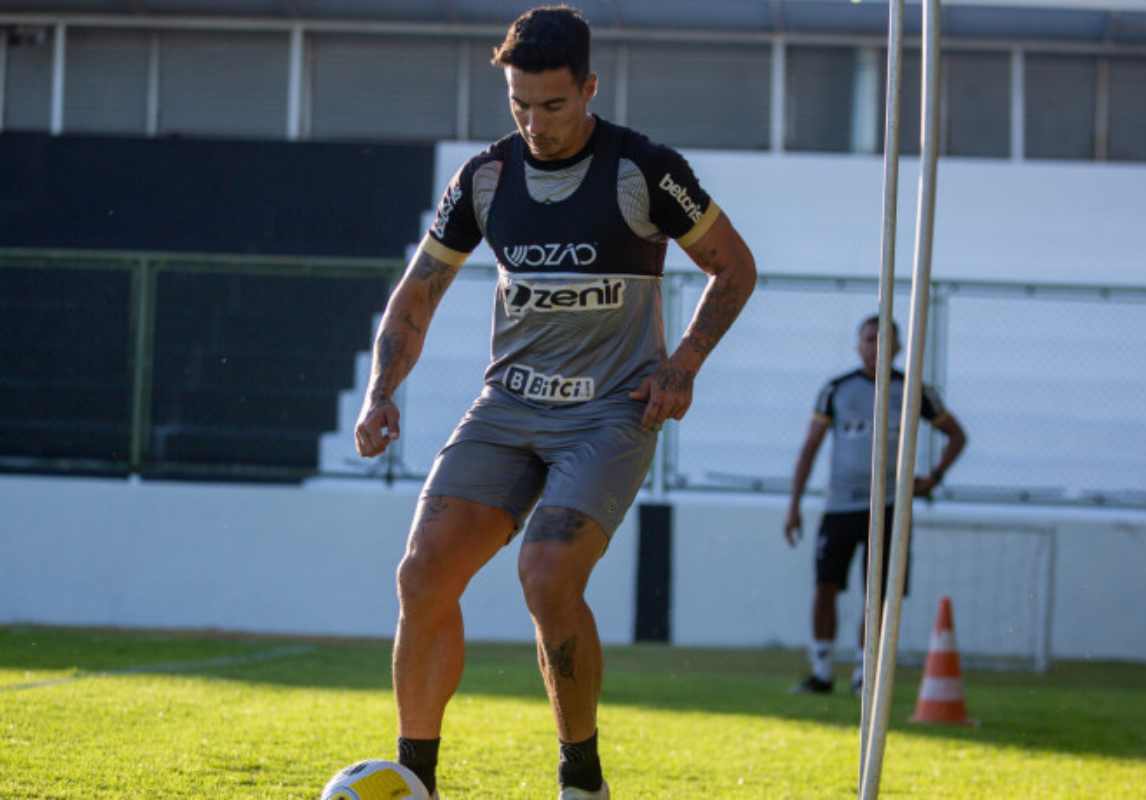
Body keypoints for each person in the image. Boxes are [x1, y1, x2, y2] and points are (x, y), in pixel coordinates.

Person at [354, 6, 757, 798]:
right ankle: (417, 779)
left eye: (553, 105)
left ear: (589, 88)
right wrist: (380, 391)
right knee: (422, 574)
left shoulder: (644, 170)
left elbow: (734, 267)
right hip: (507, 408)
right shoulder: (486, 177)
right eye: (519, 106)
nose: (535, 124)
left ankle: (581, 778)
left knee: (545, 576)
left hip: (611, 412)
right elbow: (417, 295)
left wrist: (684, 363)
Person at [783, 315, 966, 696]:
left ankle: (864, 675)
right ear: (858, 345)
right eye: (869, 339)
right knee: (825, 587)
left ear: (898, 346)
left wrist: (934, 477)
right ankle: (821, 671)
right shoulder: (836, 390)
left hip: (889, 508)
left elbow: (955, 435)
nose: (876, 346)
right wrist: (794, 504)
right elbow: (809, 448)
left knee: (878, 594)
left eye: (885, 340)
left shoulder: (914, 390)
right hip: (840, 506)